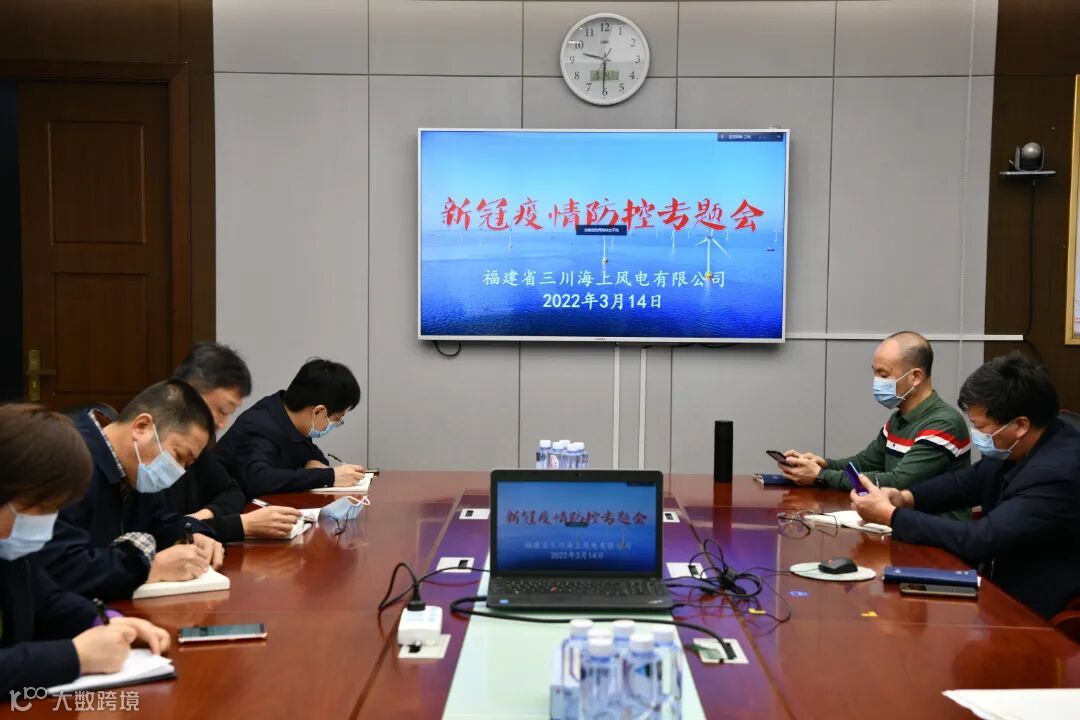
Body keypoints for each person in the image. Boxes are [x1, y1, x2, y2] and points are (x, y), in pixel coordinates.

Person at [851, 352, 1080, 619]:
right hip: (998, 587)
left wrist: (892, 516)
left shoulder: (1057, 472)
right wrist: (906, 498)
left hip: (1036, 607)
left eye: (980, 426)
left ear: (1020, 425)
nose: (977, 434)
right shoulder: (1019, 443)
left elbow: (981, 540)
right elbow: (965, 483)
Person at [1, 404, 170, 696]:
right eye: (41, 508)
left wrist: (105, 621)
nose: (47, 522)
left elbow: (46, 600)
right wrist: (75, 657)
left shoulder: (11, 548)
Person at [40, 380, 225, 601]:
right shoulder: (67, 462)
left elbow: (158, 521)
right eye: (178, 456)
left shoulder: (135, 469)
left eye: (188, 464)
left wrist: (191, 535)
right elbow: (62, 566)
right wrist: (151, 568)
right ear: (142, 427)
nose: (179, 471)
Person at [779, 331, 971, 500]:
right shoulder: (898, 419)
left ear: (915, 377)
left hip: (934, 527)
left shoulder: (943, 424)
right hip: (897, 521)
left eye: (884, 375)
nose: (877, 381)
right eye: (875, 373)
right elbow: (864, 463)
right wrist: (823, 464)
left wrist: (821, 475)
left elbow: (897, 482)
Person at [166, 343, 302, 541]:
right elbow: (163, 534)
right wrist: (241, 525)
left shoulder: (198, 449)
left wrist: (199, 518)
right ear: (188, 391)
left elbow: (233, 492)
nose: (223, 424)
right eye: (222, 410)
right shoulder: (149, 456)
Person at [215, 359, 365, 497]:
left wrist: (318, 470)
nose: (334, 424)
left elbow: (316, 460)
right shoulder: (259, 425)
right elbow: (258, 479)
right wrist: (329, 476)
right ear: (318, 411)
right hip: (219, 511)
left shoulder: (293, 421)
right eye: (336, 419)